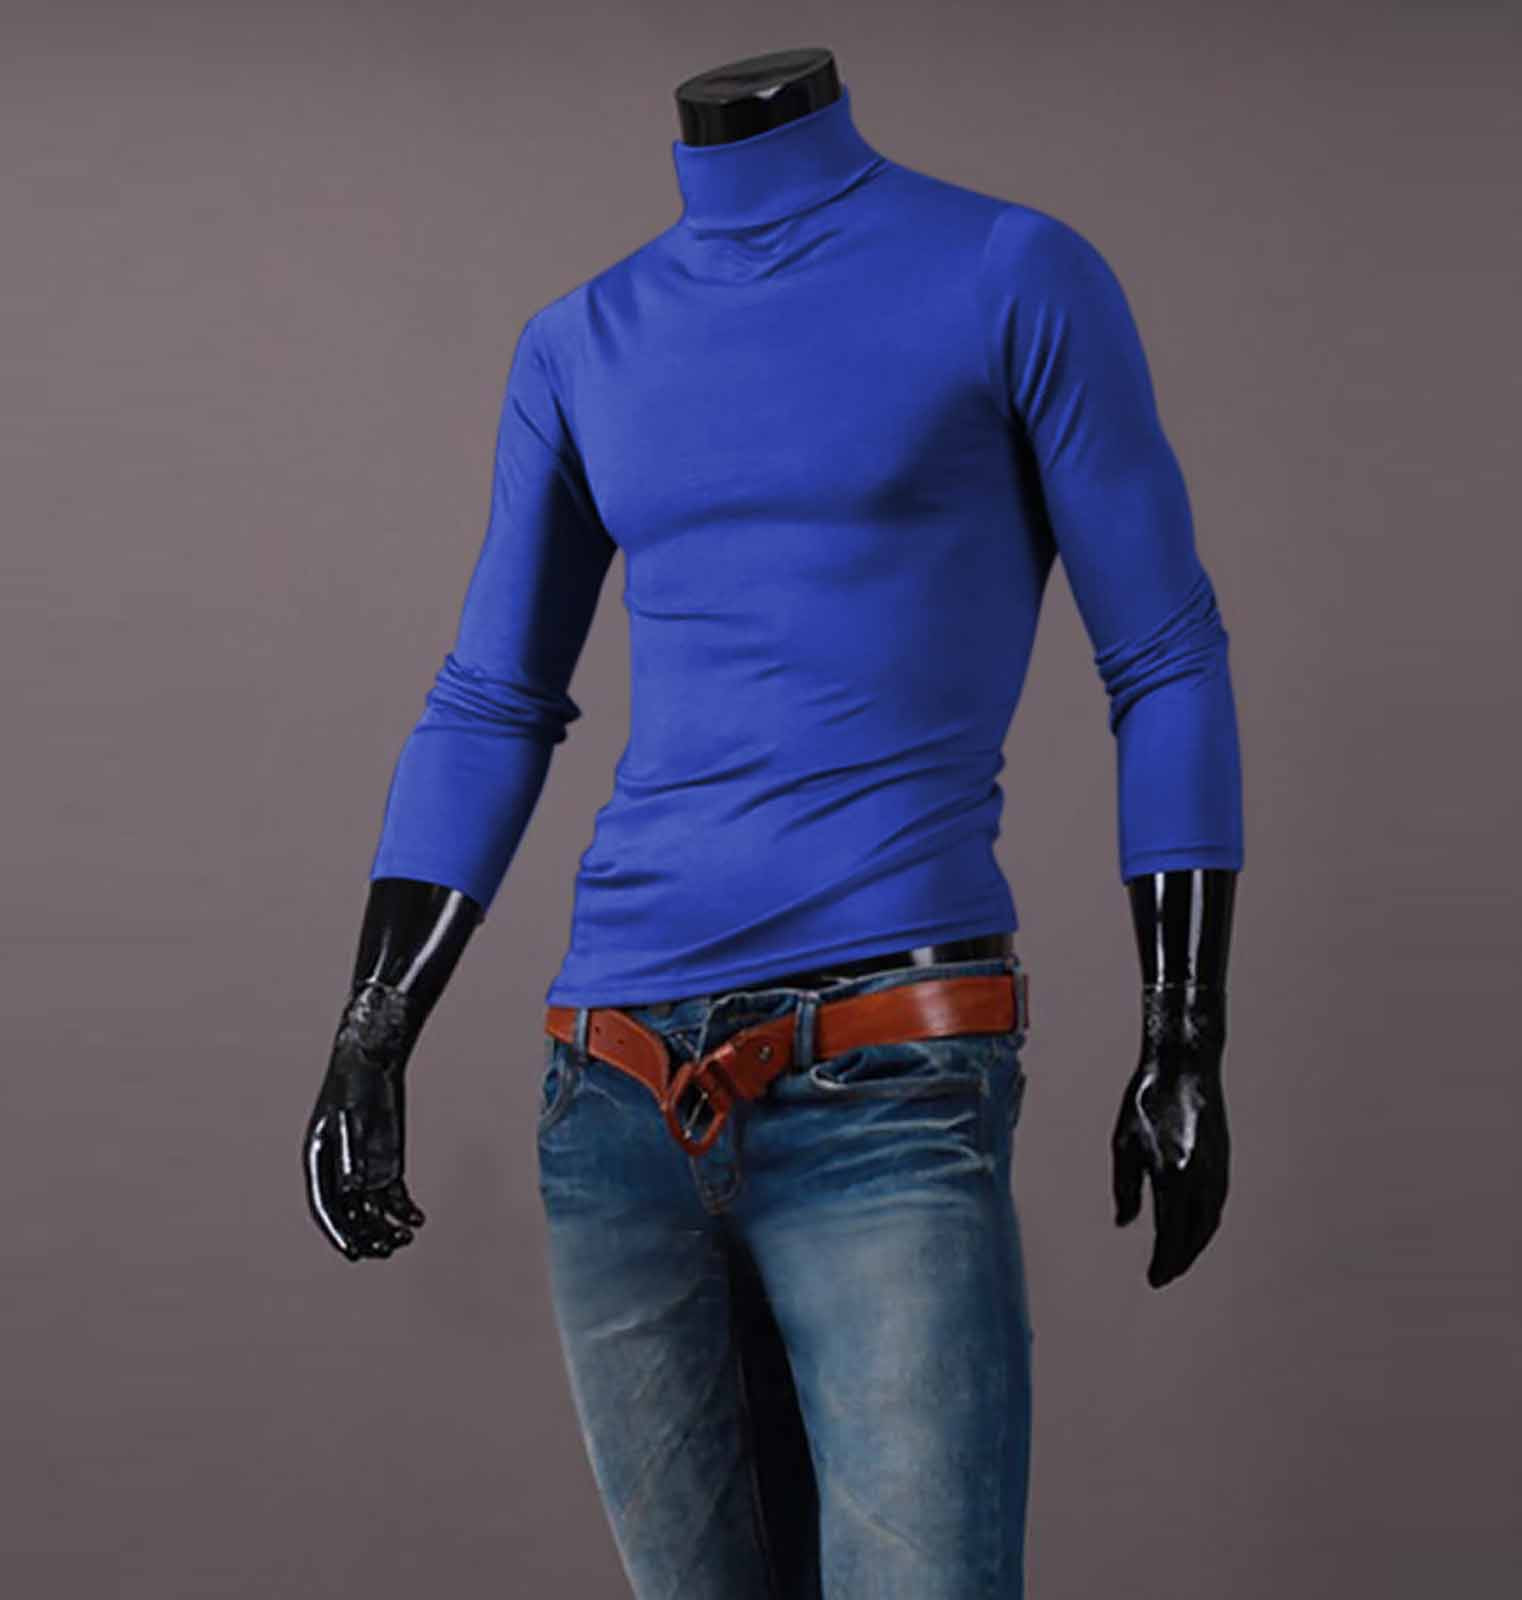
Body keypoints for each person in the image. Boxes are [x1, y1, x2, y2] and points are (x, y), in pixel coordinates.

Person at [304, 46, 1244, 1599]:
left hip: (884, 1082)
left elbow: (1166, 658)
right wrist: (370, 1030)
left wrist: (1184, 1030)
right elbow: (489, 701)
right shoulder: (582, 342)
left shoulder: (1012, 274)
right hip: (612, 1101)